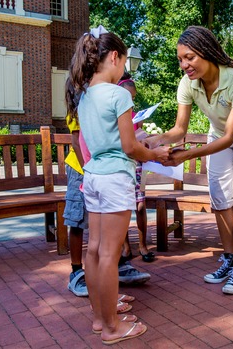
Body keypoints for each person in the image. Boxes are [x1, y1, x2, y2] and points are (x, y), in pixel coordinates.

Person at [67, 25, 170, 344]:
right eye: (124, 61)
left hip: (94, 176)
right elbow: (129, 147)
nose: (124, 68)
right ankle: (113, 328)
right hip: (115, 178)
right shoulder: (118, 95)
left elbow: (100, 141)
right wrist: (156, 153)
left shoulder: (84, 97)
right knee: (110, 255)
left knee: (95, 251)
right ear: (114, 57)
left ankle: (101, 319)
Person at [146, 26, 233, 295]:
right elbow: (179, 130)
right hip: (218, 137)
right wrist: (155, 142)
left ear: (207, 51)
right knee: (221, 199)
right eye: (180, 59)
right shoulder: (188, 84)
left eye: (189, 57)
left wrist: (185, 155)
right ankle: (229, 258)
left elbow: (230, 136)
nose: (184, 65)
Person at [64, 79, 147, 313]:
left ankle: (105, 301)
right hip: (87, 169)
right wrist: (87, 170)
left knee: (100, 246)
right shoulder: (86, 99)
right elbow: (79, 141)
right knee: (80, 225)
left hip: (94, 170)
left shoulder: (95, 97)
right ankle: (77, 274)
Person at [117, 73, 156, 263]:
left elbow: (138, 137)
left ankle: (142, 245)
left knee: (140, 205)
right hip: (121, 164)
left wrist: (144, 139)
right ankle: (125, 247)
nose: (131, 102)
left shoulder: (136, 117)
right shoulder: (116, 115)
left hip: (137, 164)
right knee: (124, 206)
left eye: (133, 99)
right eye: (128, 98)